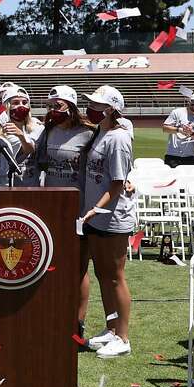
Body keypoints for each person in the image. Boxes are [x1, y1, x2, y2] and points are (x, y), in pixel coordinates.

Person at [76, 86, 136, 359]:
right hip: (97, 216)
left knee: (115, 277)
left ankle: (123, 336)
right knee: (103, 276)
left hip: (112, 217)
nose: (91, 108)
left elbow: (117, 183)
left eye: (98, 105)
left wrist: (95, 209)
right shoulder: (100, 132)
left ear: (112, 109)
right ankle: (111, 328)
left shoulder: (119, 138)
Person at [35, 85, 97, 337]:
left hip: (78, 207)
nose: (52, 110)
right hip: (52, 206)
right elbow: (40, 163)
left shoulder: (88, 133)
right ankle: (56, 313)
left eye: (57, 105)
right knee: (53, 263)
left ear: (70, 106)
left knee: (78, 267)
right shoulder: (47, 132)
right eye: (49, 106)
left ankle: (78, 321)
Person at [0, 83, 44, 186]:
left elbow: (30, 149)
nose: (21, 105)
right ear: (8, 106)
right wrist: (1, 104)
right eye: (16, 102)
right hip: (7, 185)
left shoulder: (38, 126)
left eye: (24, 102)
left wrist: (21, 135)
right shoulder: (0, 127)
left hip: (31, 186)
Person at [162, 93, 194, 167]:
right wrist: (179, 130)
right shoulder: (177, 112)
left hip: (189, 156)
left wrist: (191, 133)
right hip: (172, 155)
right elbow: (165, 128)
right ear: (189, 102)